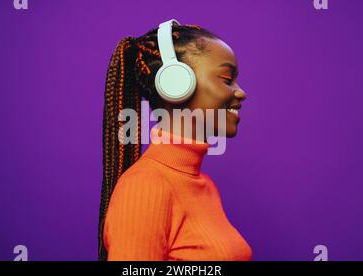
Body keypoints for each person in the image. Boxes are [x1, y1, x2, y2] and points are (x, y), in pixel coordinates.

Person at [98, 21, 250, 261]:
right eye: (227, 78)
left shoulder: (204, 185)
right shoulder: (145, 187)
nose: (241, 92)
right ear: (176, 84)